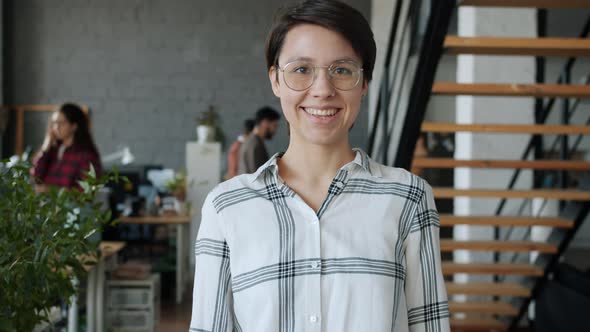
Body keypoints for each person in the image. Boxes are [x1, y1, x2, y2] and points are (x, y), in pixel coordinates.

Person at [190, 1, 449, 331]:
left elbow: (430, 325)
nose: (323, 90)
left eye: (342, 70)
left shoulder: (408, 197)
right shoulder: (226, 207)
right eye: (301, 70)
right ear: (275, 80)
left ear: (365, 83)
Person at [32, 103, 102, 191]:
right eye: (54, 123)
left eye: (61, 123)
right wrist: (46, 146)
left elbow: (86, 192)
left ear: (74, 126)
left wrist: (50, 191)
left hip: (66, 204)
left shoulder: (86, 156)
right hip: (45, 204)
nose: (56, 127)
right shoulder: (52, 150)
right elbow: (35, 177)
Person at [237, 106, 281, 174]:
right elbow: (256, 174)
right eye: (274, 126)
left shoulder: (253, 141)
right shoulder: (254, 143)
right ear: (265, 122)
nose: (275, 131)